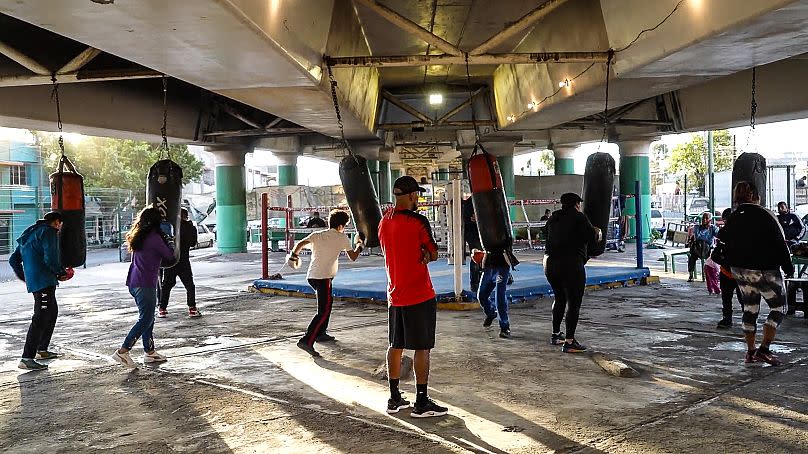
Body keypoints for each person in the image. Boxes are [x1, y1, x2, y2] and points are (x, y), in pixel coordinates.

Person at [379, 175, 447, 418]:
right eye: (416, 194)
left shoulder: (384, 221)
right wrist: (424, 254)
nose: (417, 198)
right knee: (422, 348)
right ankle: (421, 401)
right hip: (419, 293)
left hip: (394, 294)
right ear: (410, 196)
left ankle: (394, 398)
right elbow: (434, 253)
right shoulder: (418, 221)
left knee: (395, 345)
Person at [717, 182, 793, 366]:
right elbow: (780, 243)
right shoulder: (766, 214)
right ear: (755, 196)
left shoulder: (733, 217)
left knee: (750, 309)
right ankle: (764, 350)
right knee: (779, 308)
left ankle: (750, 352)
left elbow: (721, 243)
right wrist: (788, 268)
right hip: (765, 269)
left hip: (740, 271)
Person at [289, 210, 363, 357]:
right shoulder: (342, 237)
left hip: (312, 276)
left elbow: (300, 243)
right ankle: (307, 340)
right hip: (324, 278)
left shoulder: (318, 235)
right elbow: (353, 257)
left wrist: (293, 256)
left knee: (326, 305)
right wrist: (360, 245)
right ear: (342, 226)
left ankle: (321, 333)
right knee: (323, 310)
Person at [112, 206, 175, 368]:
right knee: (146, 318)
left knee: (148, 317)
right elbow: (169, 255)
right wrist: (169, 238)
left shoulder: (139, 235)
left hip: (135, 282)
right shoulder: (154, 238)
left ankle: (150, 352)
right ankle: (123, 351)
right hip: (145, 283)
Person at [8, 211, 67, 370]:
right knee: (40, 317)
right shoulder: (48, 232)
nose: (60, 228)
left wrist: (26, 277)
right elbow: (51, 258)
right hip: (43, 281)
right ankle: (26, 357)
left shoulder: (29, 233)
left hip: (38, 281)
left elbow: (13, 260)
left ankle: (42, 349)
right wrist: (61, 272)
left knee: (52, 311)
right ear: (56, 222)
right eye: (60, 224)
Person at [544, 193, 600, 353]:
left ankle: (555, 335)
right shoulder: (579, 217)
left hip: (551, 264)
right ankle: (569, 341)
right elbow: (592, 238)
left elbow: (544, 236)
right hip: (571, 264)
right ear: (577, 204)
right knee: (573, 303)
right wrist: (596, 231)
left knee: (559, 297)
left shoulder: (553, 218)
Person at [158, 208, 199, 317]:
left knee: (166, 285)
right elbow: (193, 243)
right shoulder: (190, 227)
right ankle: (192, 308)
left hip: (170, 260)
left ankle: (162, 309)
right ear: (186, 216)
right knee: (189, 285)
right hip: (184, 260)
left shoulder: (170, 226)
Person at [474, 248, 515, 338]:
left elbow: (506, 244)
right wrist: (476, 250)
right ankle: (491, 313)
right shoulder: (482, 235)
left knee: (499, 296)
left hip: (502, 265)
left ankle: (505, 326)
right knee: (481, 296)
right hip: (488, 265)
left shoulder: (503, 235)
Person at [716, 208, 743, 329]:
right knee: (741, 299)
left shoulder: (724, 232)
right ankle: (747, 319)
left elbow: (716, 254)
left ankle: (728, 319)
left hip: (730, 271)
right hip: (738, 272)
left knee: (728, 298)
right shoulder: (745, 233)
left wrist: (725, 262)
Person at [687, 212, 718, 282]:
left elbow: (719, 235)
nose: (704, 219)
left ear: (710, 220)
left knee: (715, 257)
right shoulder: (697, 227)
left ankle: (712, 275)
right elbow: (695, 237)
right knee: (692, 258)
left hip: (708, 250)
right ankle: (691, 275)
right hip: (697, 249)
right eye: (703, 218)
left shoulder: (713, 228)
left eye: (706, 218)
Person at [463, 197, 482, 296]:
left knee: (478, 256)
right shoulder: (471, 202)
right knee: (477, 256)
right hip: (474, 233)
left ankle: (476, 282)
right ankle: (475, 283)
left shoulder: (472, 201)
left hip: (476, 233)